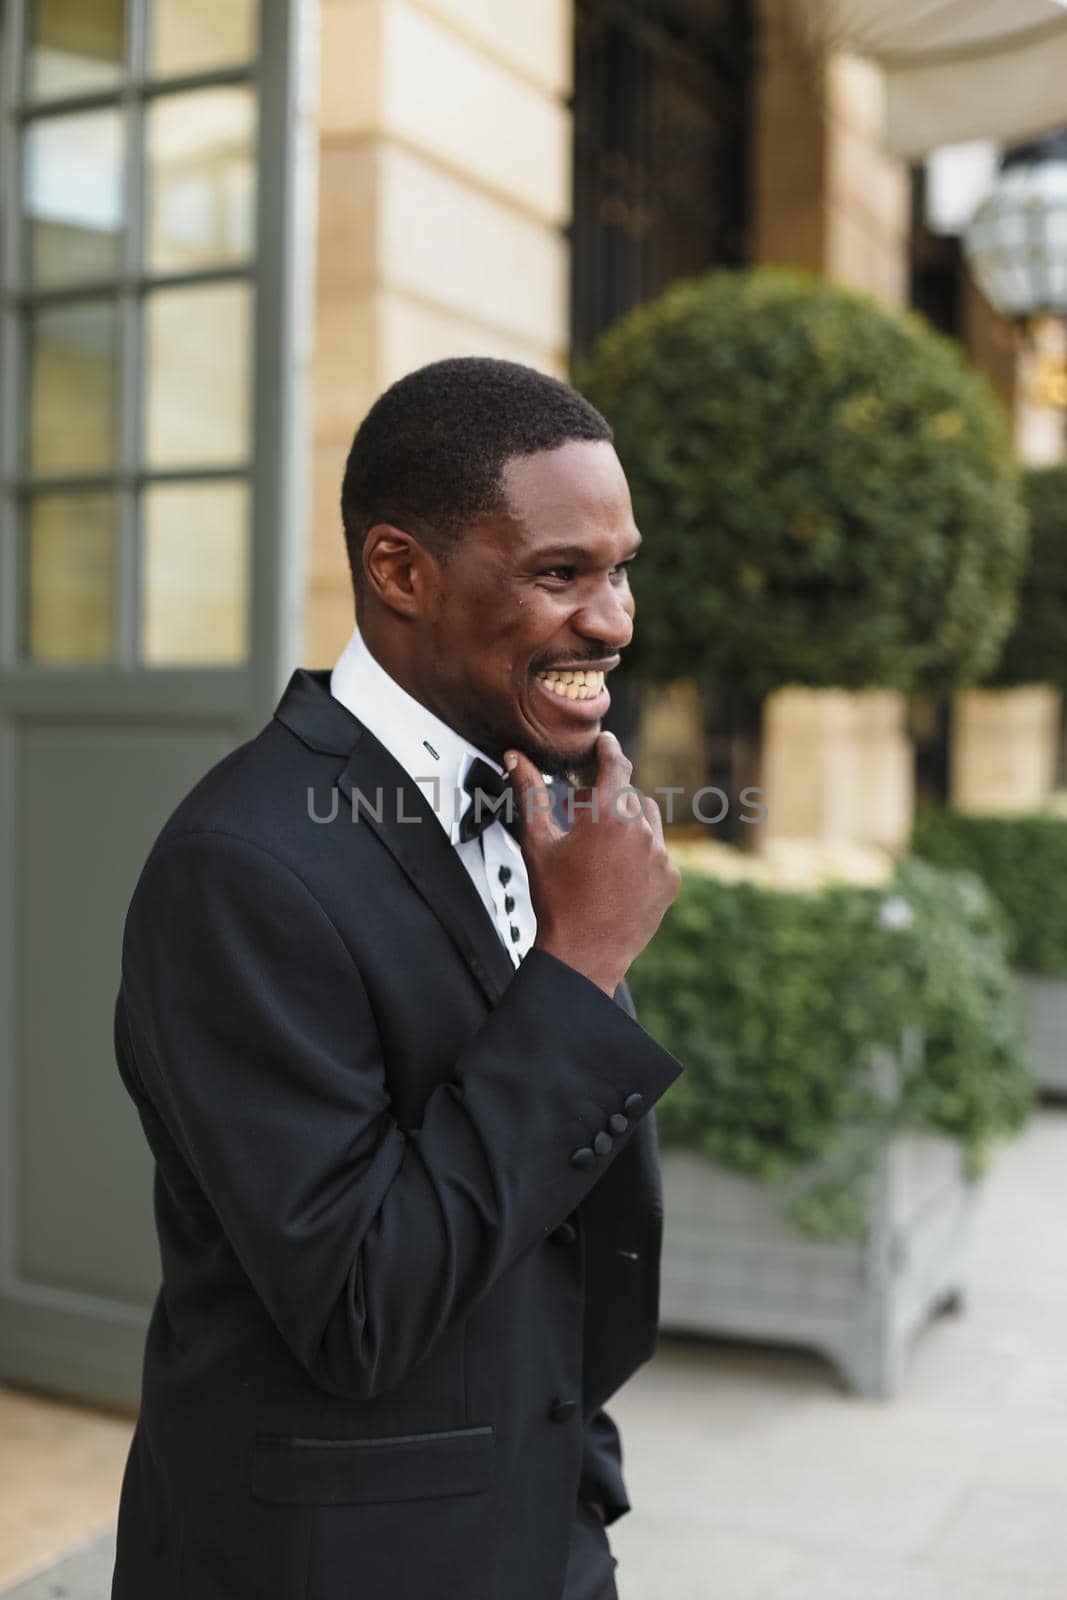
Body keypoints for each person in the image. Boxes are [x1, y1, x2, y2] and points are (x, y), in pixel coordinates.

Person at [110, 357, 683, 1600]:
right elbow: (359, 1297)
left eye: (619, 568)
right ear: (398, 571)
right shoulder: (241, 866)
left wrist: (576, 1475)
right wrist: (579, 967)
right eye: (556, 573)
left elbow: (565, 1213)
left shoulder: (537, 796)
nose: (613, 619)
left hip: (538, 1536)